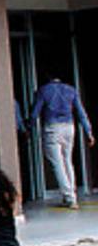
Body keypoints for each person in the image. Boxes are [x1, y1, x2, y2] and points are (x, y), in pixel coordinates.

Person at [29, 75, 93, 208]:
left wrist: (29, 126)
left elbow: (35, 113)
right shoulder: (71, 90)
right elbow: (81, 113)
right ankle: (71, 193)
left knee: (57, 164)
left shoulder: (43, 90)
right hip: (69, 127)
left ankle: (69, 197)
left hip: (52, 128)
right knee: (67, 160)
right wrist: (88, 132)